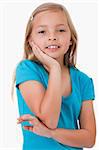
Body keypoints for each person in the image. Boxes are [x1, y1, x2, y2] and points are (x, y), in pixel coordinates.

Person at [14, 2, 96, 150]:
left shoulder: (83, 80)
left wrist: (51, 133)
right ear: (30, 41)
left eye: (61, 30)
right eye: (42, 32)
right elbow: (49, 120)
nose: (52, 37)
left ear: (71, 39)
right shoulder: (27, 69)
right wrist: (54, 68)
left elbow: (89, 139)